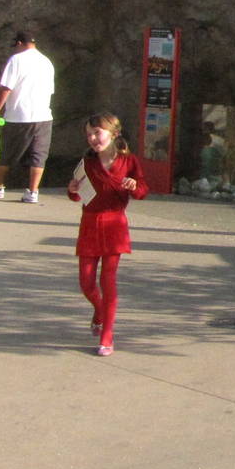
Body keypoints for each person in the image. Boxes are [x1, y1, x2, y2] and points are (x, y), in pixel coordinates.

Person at [66, 112, 148, 356]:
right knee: (86, 282)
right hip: (90, 223)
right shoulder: (87, 162)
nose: (93, 138)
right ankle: (100, 311)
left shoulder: (129, 161)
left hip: (115, 224)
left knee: (108, 280)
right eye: (89, 134)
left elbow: (143, 190)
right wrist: (71, 190)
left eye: (97, 132)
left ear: (114, 133)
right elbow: (77, 192)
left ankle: (107, 335)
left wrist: (135, 186)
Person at [0, 30, 56, 203]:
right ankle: (32, 192)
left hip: (18, 115)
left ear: (20, 43)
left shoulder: (16, 60)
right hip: (43, 115)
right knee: (39, 154)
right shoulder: (47, 62)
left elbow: (7, 87)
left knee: (7, 152)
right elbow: (50, 91)